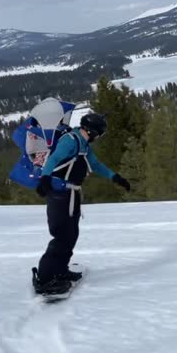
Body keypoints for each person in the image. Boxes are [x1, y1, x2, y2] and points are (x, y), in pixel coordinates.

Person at [31, 113, 131, 295]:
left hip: (72, 194)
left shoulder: (82, 144)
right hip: (60, 194)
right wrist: (45, 179)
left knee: (71, 234)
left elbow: (95, 164)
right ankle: (45, 278)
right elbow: (52, 160)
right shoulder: (70, 140)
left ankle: (60, 270)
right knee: (61, 235)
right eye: (100, 133)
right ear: (94, 131)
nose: (99, 137)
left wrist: (115, 177)